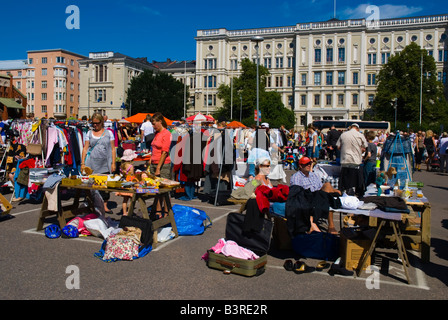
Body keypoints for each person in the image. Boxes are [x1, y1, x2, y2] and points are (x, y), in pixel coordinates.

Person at [290, 156, 341, 234]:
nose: (309, 165)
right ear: (300, 166)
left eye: (310, 163)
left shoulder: (313, 175)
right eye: (306, 164)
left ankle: (330, 224)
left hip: (318, 195)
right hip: (308, 198)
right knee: (328, 193)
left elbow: (320, 187)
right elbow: (297, 193)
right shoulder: (296, 177)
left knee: (327, 186)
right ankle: (331, 226)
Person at [81, 113, 116, 213]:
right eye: (93, 123)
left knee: (104, 186)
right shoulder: (89, 133)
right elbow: (85, 148)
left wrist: (113, 163)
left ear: (102, 122)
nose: (95, 125)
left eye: (97, 123)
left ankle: (104, 205)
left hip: (105, 163)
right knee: (91, 185)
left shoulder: (109, 133)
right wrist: (82, 163)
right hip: (91, 163)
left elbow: (113, 149)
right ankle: (92, 204)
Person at [336, 123, 368, 197]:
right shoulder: (360, 135)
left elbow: (338, 147)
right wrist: (360, 151)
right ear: (357, 128)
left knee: (345, 179)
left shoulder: (343, 134)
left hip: (345, 159)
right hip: (355, 160)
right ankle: (357, 193)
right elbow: (364, 147)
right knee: (357, 179)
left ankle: (344, 191)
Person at [150, 112, 172, 217]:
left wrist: (158, 167)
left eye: (154, 124)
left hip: (163, 165)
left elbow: (164, 152)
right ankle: (158, 211)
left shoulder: (166, 133)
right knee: (156, 190)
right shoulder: (157, 133)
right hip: (154, 163)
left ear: (160, 122)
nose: (153, 127)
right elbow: (154, 149)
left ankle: (167, 212)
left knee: (164, 190)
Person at [115, 149, 137, 216]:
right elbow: (132, 174)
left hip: (124, 182)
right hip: (130, 183)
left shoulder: (122, 166)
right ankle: (130, 212)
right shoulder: (131, 166)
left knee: (125, 200)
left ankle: (124, 212)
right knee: (132, 199)